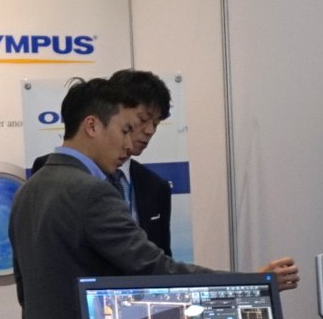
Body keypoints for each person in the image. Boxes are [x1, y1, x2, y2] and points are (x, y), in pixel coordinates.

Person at [11, 76, 298, 319]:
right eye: (125, 130)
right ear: (93, 125)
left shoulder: (29, 189)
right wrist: (250, 284)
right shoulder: (92, 192)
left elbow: (24, 290)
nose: (130, 144)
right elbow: (154, 269)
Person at [105, 68, 300, 295]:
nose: (149, 131)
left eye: (156, 124)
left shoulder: (155, 186)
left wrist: (252, 283)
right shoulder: (80, 181)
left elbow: (163, 269)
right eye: (142, 119)